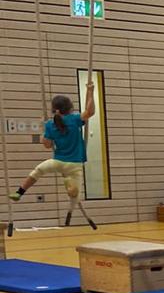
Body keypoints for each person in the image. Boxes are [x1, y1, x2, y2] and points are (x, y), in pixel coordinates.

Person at [10, 86, 98, 229]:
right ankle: (70, 191)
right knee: (75, 195)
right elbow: (90, 111)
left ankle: (19, 192)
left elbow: (47, 145)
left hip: (57, 162)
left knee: (38, 171)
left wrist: (43, 129)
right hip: (74, 164)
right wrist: (90, 91)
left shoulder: (50, 124)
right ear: (70, 108)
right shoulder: (74, 119)